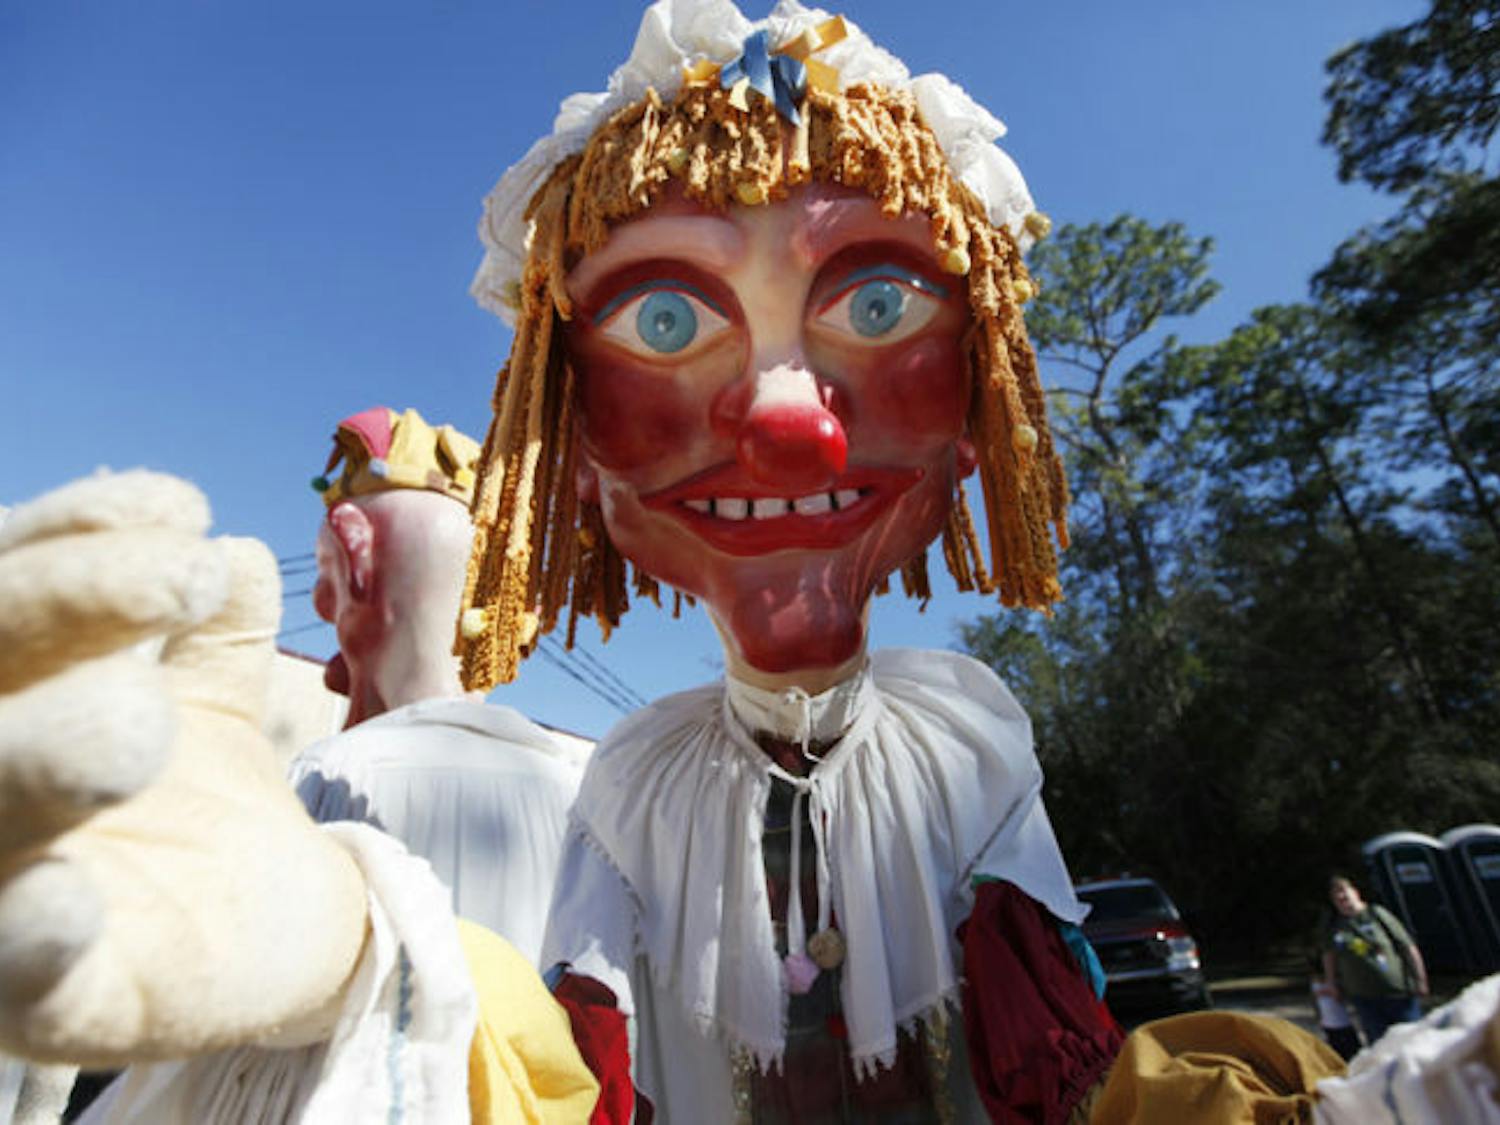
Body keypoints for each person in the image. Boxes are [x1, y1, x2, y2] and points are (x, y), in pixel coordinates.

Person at [289, 405, 588, 965]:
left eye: (323, 574)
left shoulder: (321, 780)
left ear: (357, 562)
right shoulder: (582, 798)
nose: (319, 604)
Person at [1321, 874, 1429, 1046]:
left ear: (1355, 892)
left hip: (1397, 992)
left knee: (1413, 1042)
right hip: (1364, 998)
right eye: (1336, 896)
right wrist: (1331, 983)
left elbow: (1408, 947)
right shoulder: (1336, 926)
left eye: (1343, 891)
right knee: (1380, 1048)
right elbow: (1329, 956)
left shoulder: (1376, 914)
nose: (1341, 898)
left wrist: (1420, 979)